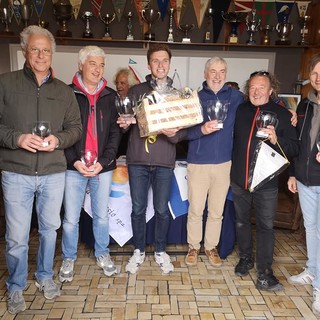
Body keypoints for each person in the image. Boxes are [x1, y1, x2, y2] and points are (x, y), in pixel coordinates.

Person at [0, 25, 82, 315]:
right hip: (16, 172)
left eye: (46, 50)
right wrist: (17, 138)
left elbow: (75, 128)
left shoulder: (63, 91)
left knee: (50, 230)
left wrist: (58, 140)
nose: (41, 55)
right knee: (17, 236)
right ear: (24, 51)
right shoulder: (5, 83)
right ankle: (16, 285)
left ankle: (45, 276)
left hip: (53, 172)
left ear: (52, 54)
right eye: (35, 49)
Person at [117, 43, 185, 274]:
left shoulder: (178, 95)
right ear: (149, 64)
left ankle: (160, 250)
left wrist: (175, 134)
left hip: (165, 160)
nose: (160, 65)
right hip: (138, 160)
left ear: (169, 63)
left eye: (164, 61)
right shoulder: (136, 91)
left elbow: (183, 132)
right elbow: (126, 126)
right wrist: (125, 124)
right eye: (155, 61)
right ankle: (138, 250)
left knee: (162, 210)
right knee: (138, 208)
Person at [231, 70, 299, 291]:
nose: (256, 91)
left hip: (267, 183)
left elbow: (294, 148)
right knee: (241, 222)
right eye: (252, 87)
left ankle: (264, 273)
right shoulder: (240, 110)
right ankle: (245, 258)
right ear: (247, 90)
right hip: (239, 180)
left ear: (271, 91)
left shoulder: (283, 114)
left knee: (265, 227)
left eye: (261, 87)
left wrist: (276, 139)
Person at [58, 46, 121, 283]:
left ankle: (102, 253)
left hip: (101, 168)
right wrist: (74, 161)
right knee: (71, 217)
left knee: (101, 216)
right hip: (74, 167)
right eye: (93, 63)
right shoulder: (67, 93)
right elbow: (62, 131)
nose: (98, 69)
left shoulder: (111, 95)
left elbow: (116, 133)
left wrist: (104, 162)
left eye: (102, 65)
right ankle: (68, 257)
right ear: (81, 65)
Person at [184, 57, 244, 267]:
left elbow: (260, 104)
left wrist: (287, 112)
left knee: (216, 211)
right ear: (205, 74)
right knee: (196, 210)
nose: (217, 76)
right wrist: (202, 129)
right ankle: (193, 246)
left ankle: (211, 247)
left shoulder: (236, 97)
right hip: (198, 164)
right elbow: (183, 133)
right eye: (213, 71)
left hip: (224, 164)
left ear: (226, 74)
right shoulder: (194, 98)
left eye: (222, 71)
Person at [287, 53, 320, 316]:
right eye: (315, 73)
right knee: (310, 228)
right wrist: (293, 174)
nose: (318, 79)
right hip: (306, 178)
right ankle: (311, 271)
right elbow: (298, 144)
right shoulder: (305, 106)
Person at [113, 68, 139, 156]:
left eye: (122, 83)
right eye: (117, 83)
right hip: (116, 146)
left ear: (130, 84)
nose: (118, 86)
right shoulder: (112, 100)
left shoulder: (137, 102)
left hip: (133, 146)